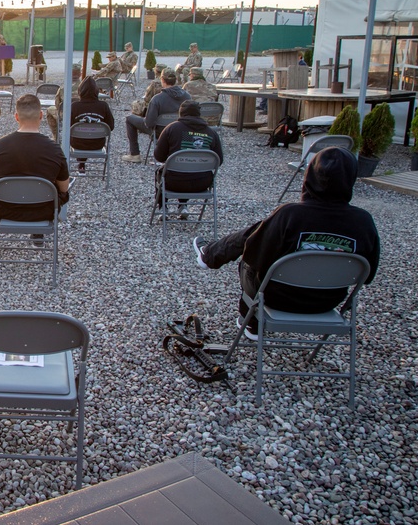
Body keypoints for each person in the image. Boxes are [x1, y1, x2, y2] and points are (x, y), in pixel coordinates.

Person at [192, 147, 379, 340]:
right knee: (262, 231)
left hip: (277, 297)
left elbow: (255, 257)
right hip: (327, 301)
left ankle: (251, 321)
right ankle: (210, 254)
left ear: (310, 176)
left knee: (254, 244)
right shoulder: (363, 222)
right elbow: (367, 275)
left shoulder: (290, 215)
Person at [0, 93, 70, 222]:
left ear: (16, 117)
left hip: (6, 210)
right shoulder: (54, 150)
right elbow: (64, 188)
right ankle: (38, 234)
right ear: (41, 115)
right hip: (44, 211)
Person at [153, 100, 223, 215]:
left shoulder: (171, 129)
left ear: (181, 113)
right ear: (199, 114)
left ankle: (163, 207)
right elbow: (219, 161)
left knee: (162, 172)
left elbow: (159, 156)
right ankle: (183, 206)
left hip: (173, 182)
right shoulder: (212, 133)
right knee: (190, 169)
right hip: (202, 182)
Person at [121, 69, 190, 163]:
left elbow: (149, 123)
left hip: (160, 132)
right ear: (176, 79)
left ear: (162, 79)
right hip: (181, 131)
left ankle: (135, 154)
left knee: (129, 119)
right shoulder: (187, 96)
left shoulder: (157, 99)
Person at [70, 77, 115, 173]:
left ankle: (81, 162)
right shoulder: (103, 106)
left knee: (80, 134)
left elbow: (68, 127)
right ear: (97, 91)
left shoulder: (74, 106)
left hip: (77, 144)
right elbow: (111, 126)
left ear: (80, 91)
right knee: (88, 133)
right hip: (97, 143)